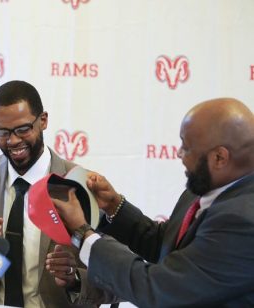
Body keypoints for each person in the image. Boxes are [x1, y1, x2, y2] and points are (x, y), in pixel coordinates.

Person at [51, 98, 254, 307]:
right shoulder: (202, 191)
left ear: (219, 158)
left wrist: (84, 235)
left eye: (186, 147)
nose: (179, 154)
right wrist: (114, 205)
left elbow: (158, 289)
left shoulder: (242, 223)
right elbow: (165, 245)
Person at [0, 80, 114, 307]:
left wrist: (74, 278)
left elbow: (123, 281)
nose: (13, 140)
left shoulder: (81, 185)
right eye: (2, 132)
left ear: (43, 121)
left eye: (23, 129)